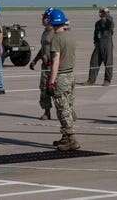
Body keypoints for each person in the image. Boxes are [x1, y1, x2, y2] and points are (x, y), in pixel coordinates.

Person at [47, 9, 79, 151]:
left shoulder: (56, 38)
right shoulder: (70, 37)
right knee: (69, 106)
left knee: (62, 109)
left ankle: (71, 139)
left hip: (61, 76)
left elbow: (55, 61)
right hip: (71, 75)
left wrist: (51, 81)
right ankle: (65, 136)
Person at [28, 8, 54, 120]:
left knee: (58, 90)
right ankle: (47, 111)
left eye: (44, 17)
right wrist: (35, 60)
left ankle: (66, 112)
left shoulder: (56, 33)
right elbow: (43, 49)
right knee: (44, 89)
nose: (42, 19)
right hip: (45, 66)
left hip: (54, 66)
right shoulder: (45, 33)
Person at [88, 7, 114, 85]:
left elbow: (110, 22)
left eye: (101, 12)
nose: (99, 13)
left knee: (108, 63)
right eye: (99, 12)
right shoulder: (97, 23)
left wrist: (106, 13)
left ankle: (107, 80)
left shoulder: (109, 22)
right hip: (99, 45)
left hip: (107, 45)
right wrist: (95, 42)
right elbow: (95, 34)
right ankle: (91, 80)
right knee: (94, 62)